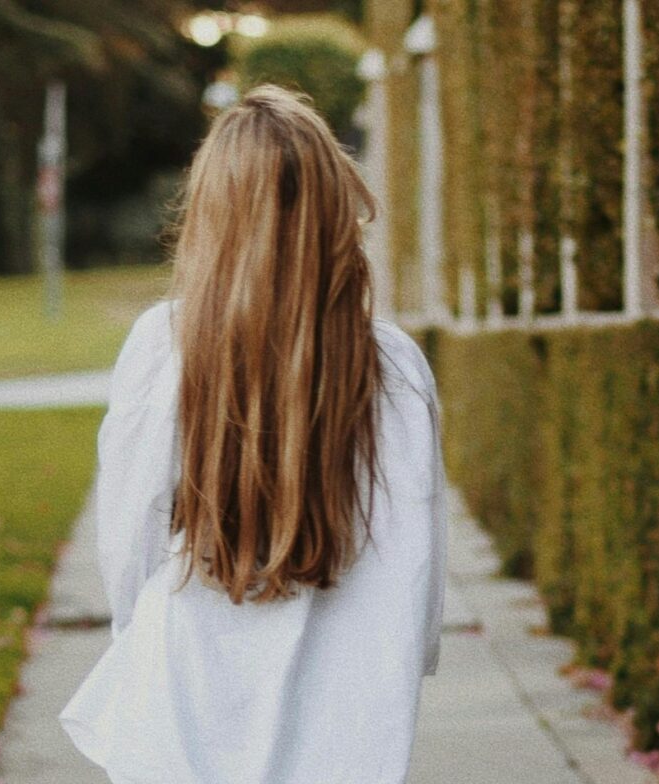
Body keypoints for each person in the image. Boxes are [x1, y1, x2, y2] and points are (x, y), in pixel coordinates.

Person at [59, 84, 447, 784]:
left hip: (188, 705)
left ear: (210, 214)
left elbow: (130, 539)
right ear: (335, 208)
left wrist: (135, 642)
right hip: (343, 724)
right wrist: (396, 671)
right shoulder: (393, 366)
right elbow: (418, 555)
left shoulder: (165, 347)